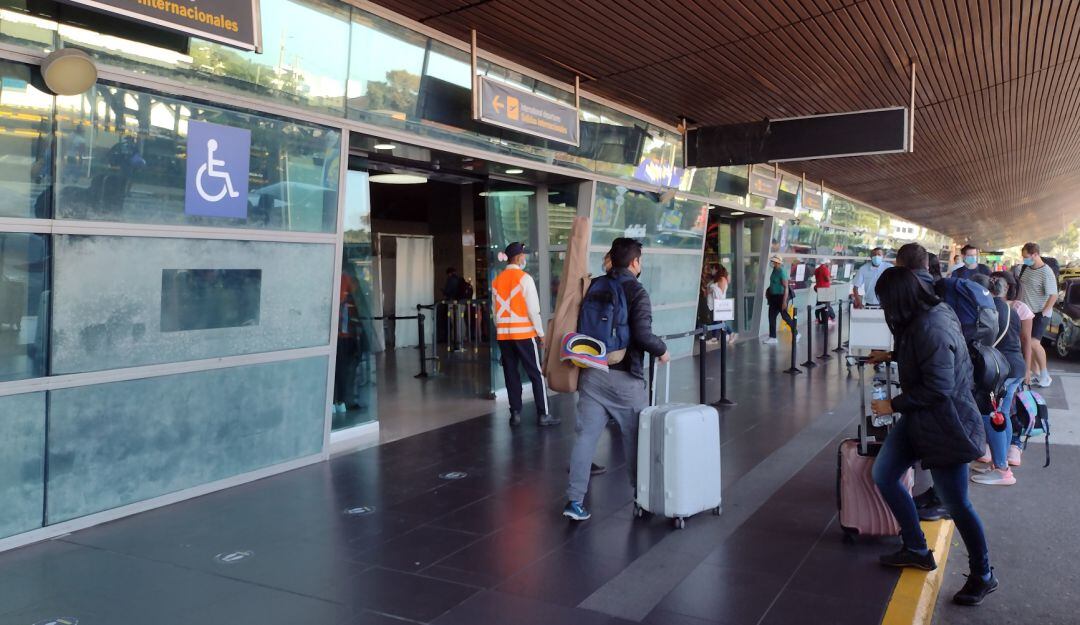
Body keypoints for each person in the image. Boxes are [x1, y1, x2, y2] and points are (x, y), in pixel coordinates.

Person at [870, 267, 997, 606]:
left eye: (884, 301)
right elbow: (930, 361)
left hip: (947, 425)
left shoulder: (931, 326)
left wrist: (891, 404)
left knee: (957, 504)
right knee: (884, 474)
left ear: (898, 299)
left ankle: (984, 574)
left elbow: (938, 387)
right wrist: (893, 356)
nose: (883, 307)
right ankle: (915, 547)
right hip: (921, 419)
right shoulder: (927, 314)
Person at [563, 238, 669, 521]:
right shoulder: (636, 290)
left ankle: (574, 501)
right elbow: (644, 336)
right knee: (635, 439)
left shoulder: (596, 284)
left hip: (592, 373)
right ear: (635, 262)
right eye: (640, 261)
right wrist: (663, 350)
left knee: (585, 438)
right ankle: (641, 497)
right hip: (625, 380)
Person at [970, 272, 1029, 485]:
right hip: (1014, 368)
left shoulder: (988, 310)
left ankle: (1002, 470)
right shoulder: (1009, 309)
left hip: (998, 372)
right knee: (1002, 415)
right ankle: (999, 462)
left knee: (994, 418)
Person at [492, 242, 557, 427]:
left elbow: (495, 313)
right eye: (523, 255)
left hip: (504, 337)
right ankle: (543, 414)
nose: (525, 258)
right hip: (524, 335)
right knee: (535, 373)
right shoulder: (525, 278)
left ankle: (515, 414)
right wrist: (541, 333)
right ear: (519, 257)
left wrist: (503, 328)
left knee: (511, 375)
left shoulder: (497, 281)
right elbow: (533, 311)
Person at [1019, 242, 1058, 388]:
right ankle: (1036, 373)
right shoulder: (1027, 268)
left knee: (1034, 343)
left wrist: (1043, 312)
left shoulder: (1046, 272)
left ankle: (1045, 375)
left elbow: (1053, 295)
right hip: (1027, 313)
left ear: (1035, 254)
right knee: (1028, 343)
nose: (1024, 259)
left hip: (1040, 313)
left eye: (1027, 257)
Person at [763, 255, 796, 345]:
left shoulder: (782, 272)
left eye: (774, 261)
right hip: (773, 297)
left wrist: (784, 301)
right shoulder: (774, 270)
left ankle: (795, 333)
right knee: (771, 316)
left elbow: (786, 288)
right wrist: (769, 290)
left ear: (778, 263)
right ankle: (772, 337)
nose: (772, 263)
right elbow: (773, 282)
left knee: (785, 316)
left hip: (781, 297)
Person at [705, 265, 736, 344]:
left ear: (717, 269)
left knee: (718, 322)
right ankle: (719, 337)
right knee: (718, 322)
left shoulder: (722, 279)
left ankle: (718, 337)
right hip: (714, 304)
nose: (712, 270)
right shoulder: (716, 279)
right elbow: (709, 291)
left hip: (719, 304)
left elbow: (720, 293)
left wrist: (712, 288)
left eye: (713, 268)